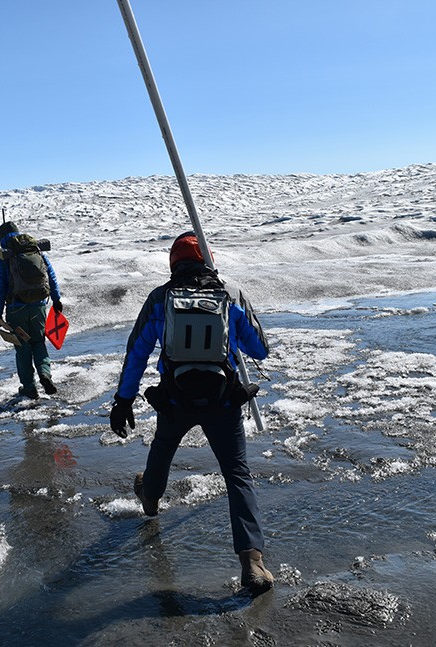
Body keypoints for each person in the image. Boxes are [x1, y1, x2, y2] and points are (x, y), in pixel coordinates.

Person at [110, 231, 274, 595]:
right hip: (223, 400)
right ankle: (252, 562)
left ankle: (150, 498)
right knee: (236, 473)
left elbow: (137, 351)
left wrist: (123, 400)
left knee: (164, 447)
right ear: (208, 259)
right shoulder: (230, 294)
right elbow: (260, 350)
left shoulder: (160, 298)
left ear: (174, 263)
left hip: (176, 398)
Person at [0, 220, 63, 399]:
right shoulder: (35, 250)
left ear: (1, 238)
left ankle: (29, 388)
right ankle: (45, 374)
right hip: (39, 306)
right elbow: (51, 276)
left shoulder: (4, 257)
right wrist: (56, 299)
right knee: (39, 343)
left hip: (16, 309)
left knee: (22, 347)